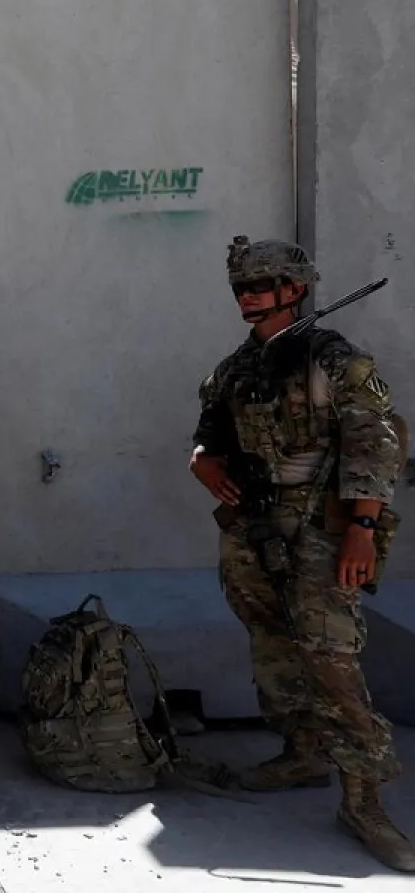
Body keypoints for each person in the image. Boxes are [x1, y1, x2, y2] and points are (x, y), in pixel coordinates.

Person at [191, 235, 412, 873]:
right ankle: (303, 750)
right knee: (271, 642)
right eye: (241, 287)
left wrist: (362, 527)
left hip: (319, 523)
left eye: (261, 284)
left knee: (332, 657)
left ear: (296, 289)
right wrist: (203, 464)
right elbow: (208, 435)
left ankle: (365, 800)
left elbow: (376, 444)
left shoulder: (334, 360)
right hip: (254, 527)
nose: (249, 296)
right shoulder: (236, 367)